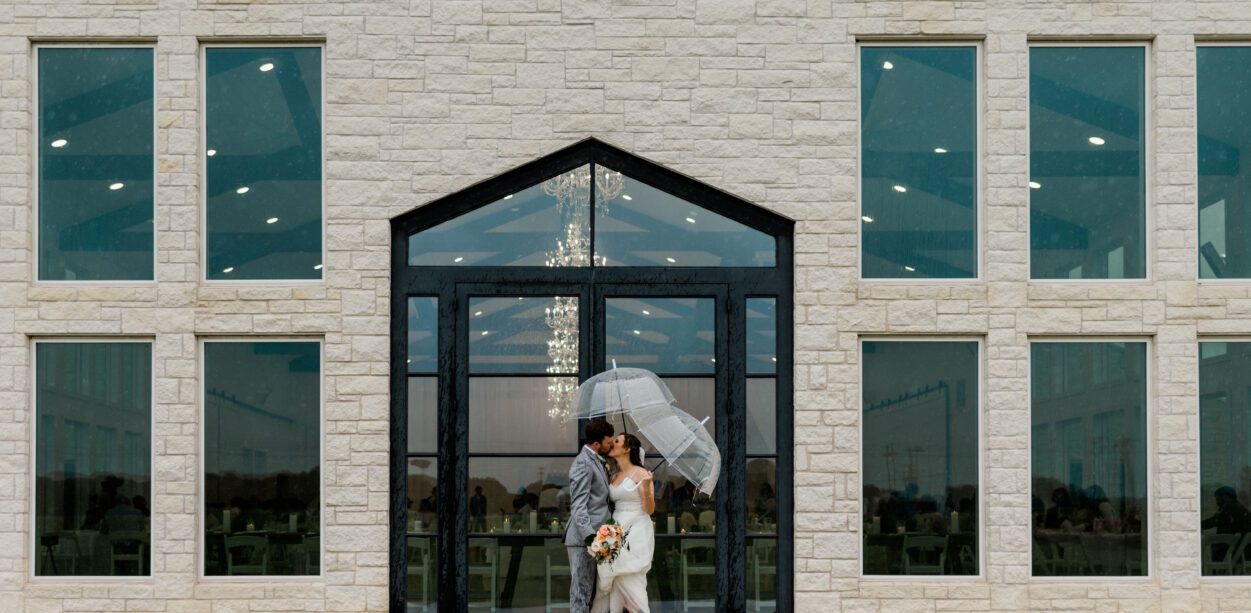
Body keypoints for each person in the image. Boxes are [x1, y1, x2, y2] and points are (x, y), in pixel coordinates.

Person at [593, 433, 655, 613]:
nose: (612, 443)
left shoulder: (641, 473)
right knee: (610, 583)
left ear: (627, 449)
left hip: (636, 529)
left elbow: (649, 510)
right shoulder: (614, 476)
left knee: (631, 579)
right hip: (615, 527)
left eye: (617, 441)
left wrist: (646, 487)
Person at [566, 419, 615, 613]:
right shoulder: (583, 463)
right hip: (584, 540)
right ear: (596, 444)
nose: (610, 444)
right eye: (608, 441)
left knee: (594, 593)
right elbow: (578, 507)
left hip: (599, 537)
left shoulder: (597, 461)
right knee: (581, 595)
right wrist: (591, 540)